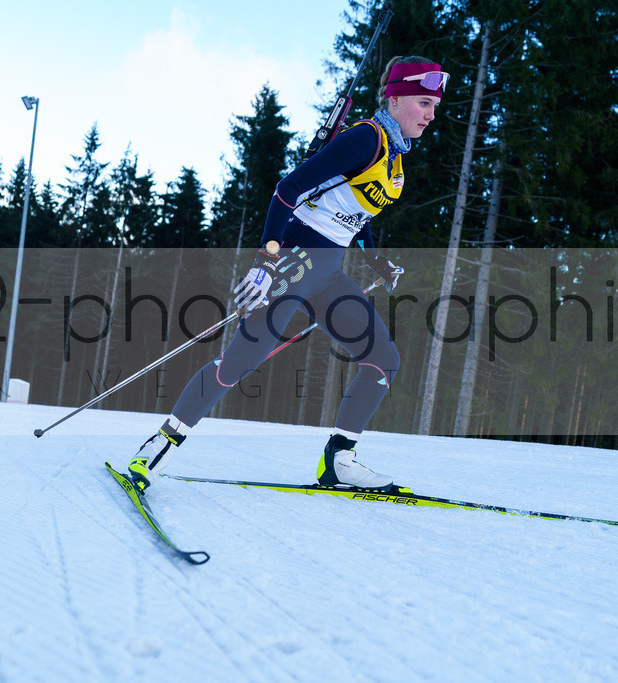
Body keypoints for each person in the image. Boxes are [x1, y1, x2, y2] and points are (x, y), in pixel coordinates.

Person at [127, 56, 447, 491]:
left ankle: (338, 462)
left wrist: (377, 262)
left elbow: (360, 214)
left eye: (434, 105)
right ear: (394, 101)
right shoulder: (365, 139)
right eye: (424, 103)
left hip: (329, 271)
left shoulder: (392, 154)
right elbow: (287, 190)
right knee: (239, 362)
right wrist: (266, 260)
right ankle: (157, 447)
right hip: (296, 260)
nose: (431, 115)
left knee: (383, 361)